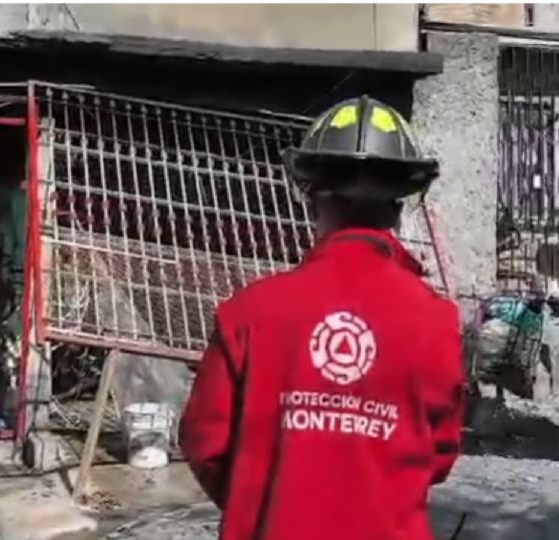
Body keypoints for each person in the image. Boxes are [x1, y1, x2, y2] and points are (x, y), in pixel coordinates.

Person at [178, 96, 465, 540]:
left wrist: (262, 501)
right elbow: (440, 453)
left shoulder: (249, 312)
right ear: (397, 208)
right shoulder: (435, 320)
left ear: (311, 200)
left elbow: (205, 440)